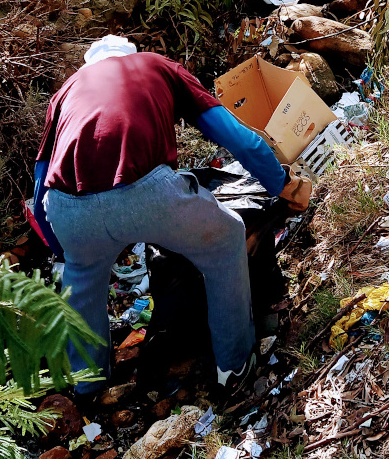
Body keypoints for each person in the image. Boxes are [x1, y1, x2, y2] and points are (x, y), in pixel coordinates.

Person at [33, 35, 311, 397]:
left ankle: (87, 386)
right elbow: (238, 138)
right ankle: (234, 367)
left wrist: (64, 250)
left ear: (90, 66)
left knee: (82, 278)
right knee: (227, 239)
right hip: (146, 190)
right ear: (129, 55)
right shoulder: (156, 65)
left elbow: (40, 185)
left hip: (68, 207)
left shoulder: (66, 91)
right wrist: (281, 184)